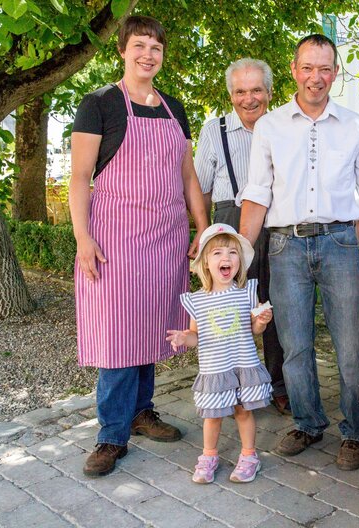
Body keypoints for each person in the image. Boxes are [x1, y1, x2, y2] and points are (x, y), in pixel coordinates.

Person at [238, 34, 359, 471]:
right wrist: (240, 256)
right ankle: (307, 422)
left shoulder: (355, 126)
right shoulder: (269, 126)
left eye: (325, 68)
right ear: (294, 70)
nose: (315, 77)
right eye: (308, 67)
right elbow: (257, 195)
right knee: (295, 347)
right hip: (285, 246)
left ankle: (357, 431)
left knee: (351, 345)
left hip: (341, 241)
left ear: (335, 74)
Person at [69, 15, 209, 477]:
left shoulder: (174, 107)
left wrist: (202, 230)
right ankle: (111, 435)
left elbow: (188, 176)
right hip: (114, 239)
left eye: (156, 47)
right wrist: (83, 238)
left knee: (151, 324)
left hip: (166, 238)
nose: (148, 54)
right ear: (123, 50)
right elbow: (78, 178)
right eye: (139, 45)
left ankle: (141, 411)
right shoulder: (100, 103)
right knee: (117, 333)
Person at [194, 58, 289, 415]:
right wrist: (206, 234)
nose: (249, 99)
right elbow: (201, 188)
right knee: (229, 308)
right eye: (240, 91)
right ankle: (231, 383)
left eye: (256, 90)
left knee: (275, 305)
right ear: (230, 94)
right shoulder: (213, 130)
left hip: (277, 222)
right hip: (230, 223)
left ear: (269, 92)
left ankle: (279, 385)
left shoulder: (284, 126)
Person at [167, 223, 273, 484]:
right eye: (217, 253)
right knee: (212, 415)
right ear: (205, 263)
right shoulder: (198, 300)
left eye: (232, 253)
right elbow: (196, 336)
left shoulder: (246, 293)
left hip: (242, 364)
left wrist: (262, 320)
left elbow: (255, 329)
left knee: (243, 412)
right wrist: (184, 337)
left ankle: (249, 456)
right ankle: (208, 456)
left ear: (240, 262)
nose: (226, 258)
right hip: (215, 368)